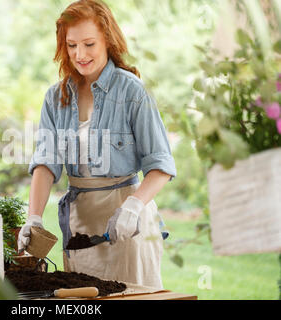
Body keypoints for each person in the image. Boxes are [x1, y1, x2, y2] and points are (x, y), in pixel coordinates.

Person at [18, 0, 176, 289]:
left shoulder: (132, 92)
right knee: (84, 299)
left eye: (89, 44)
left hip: (130, 224)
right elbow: (45, 163)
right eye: (72, 45)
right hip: (81, 225)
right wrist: (35, 218)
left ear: (107, 39)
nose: (80, 54)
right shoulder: (56, 98)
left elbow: (161, 165)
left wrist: (133, 207)